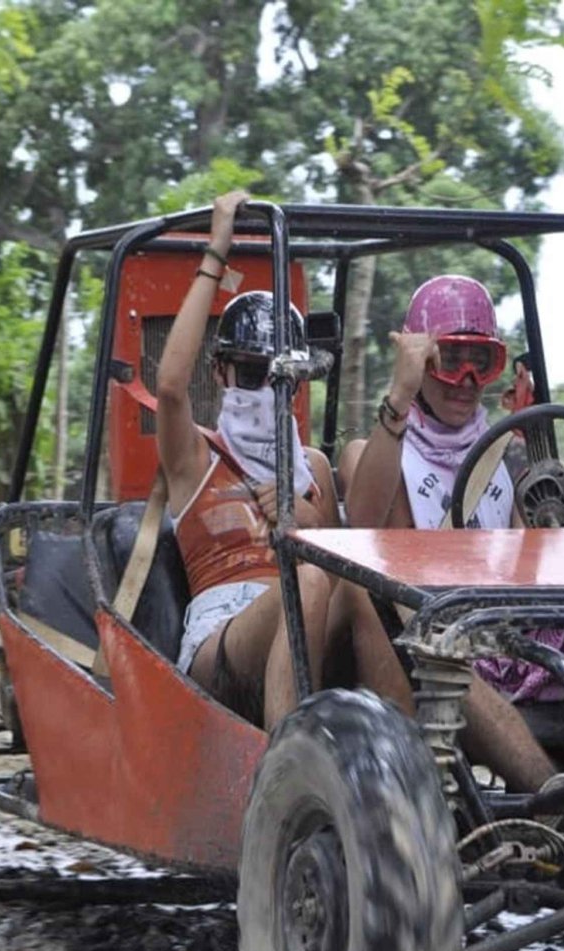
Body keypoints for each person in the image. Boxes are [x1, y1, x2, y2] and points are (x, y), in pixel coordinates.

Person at [331, 275, 564, 792]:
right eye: (451, 361)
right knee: (450, 662)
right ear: (420, 362)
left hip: (512, 634)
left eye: (481, 363)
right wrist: (399, 395)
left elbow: (530, 563)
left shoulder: (505, 455)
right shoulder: (375, 452)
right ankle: (560, 798)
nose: (466, 380)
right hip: (436, 645)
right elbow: (363, 521)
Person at [158, 190, 339, 731]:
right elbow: (168, 387)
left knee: (349, 581)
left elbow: (344, 576)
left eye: (281, 380)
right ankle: (283, 768)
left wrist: (306, 525)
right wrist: (217, 251)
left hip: (311, 638)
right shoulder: (196, 459)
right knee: (305, 582)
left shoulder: (312, 471)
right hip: (222, 642)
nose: (267, 392)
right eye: (253, 374)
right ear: (221, 373)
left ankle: (425, 754)